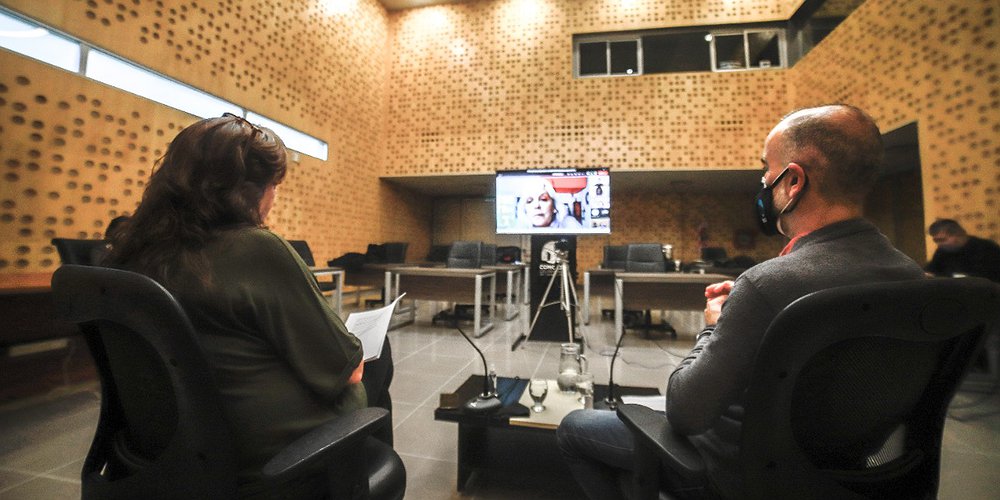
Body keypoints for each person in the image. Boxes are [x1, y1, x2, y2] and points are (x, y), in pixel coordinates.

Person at [556, 104, 925, 499]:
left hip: (734, 473)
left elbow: (685, 411)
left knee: (574, 428)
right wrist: (748, 311)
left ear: (793, 182)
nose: (764, 180)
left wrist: (716, 323)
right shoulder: (913, 279)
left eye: (767, 168)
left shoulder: (767, 285)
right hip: (841, 475)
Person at [106, 114, 374, 497]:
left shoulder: (131, 253)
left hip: (161, 451)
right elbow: (347, 372)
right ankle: (355, 479)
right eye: (273, 186)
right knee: (373, 369)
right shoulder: (257, 249)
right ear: (248, 192)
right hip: (266, 463)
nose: (275, 197)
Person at [925, 218, 1000, 282]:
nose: (938, 244)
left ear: (958, 235)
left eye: (942, 239)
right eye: (936, 240)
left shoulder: (986, 248)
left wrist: (940, 276)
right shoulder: (942, 250)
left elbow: (982, 278)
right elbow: (931, 270)